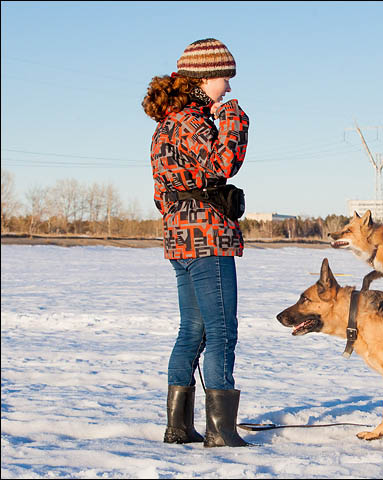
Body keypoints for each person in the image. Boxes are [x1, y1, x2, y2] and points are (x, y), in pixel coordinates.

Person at [142, 38, 250, 448]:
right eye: (224, 78)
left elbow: (160, 192)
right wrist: (234, 118)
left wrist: (184, 210)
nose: (227, 88)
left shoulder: (165, 126)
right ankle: (221, 432)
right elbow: (224, 162)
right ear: (204, 78)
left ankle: (179, 427)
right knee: (222, 331)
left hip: (178, 239)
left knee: (192, 330)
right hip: (207, 238)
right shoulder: (194, 121)